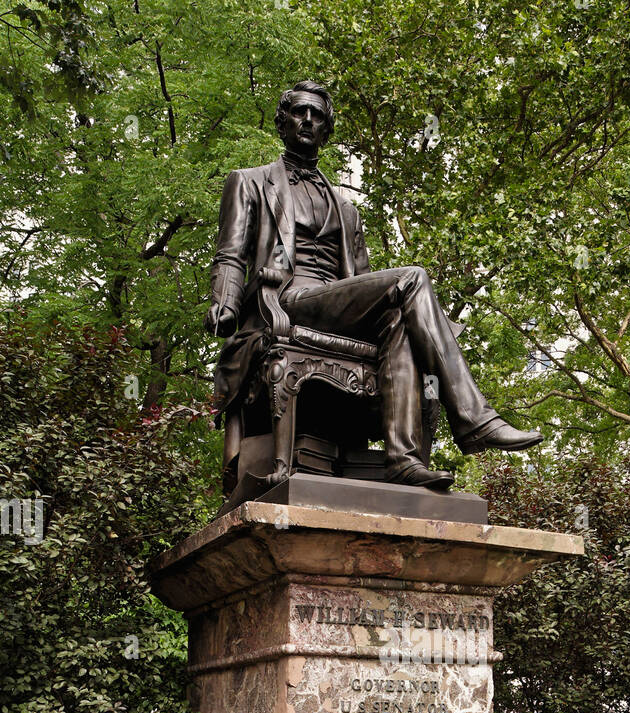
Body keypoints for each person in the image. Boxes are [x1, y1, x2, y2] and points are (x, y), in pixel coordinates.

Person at [205, 80, 543, 492]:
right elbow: (230, 253)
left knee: (401, 320)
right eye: (299, 112)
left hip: (335, 301)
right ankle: (474, 419)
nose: (308, 120)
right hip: (287, 297)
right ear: (283, 121)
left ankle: (403, 458)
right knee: (412, 277)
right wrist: (223, 304)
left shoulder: (346, 209)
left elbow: (363, 280)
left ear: (327, 130)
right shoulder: (249, 181)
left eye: (318, 115)